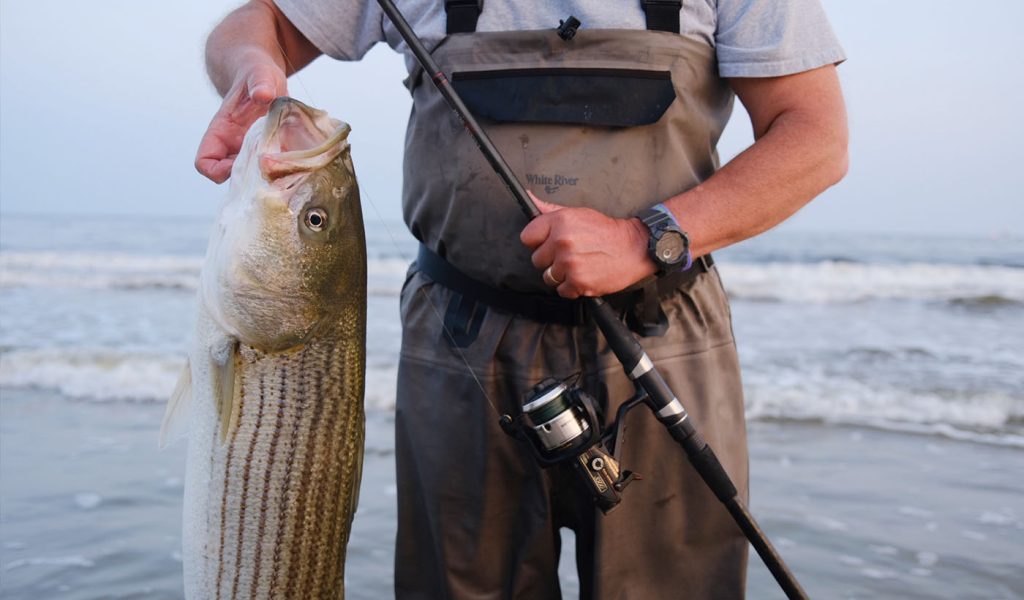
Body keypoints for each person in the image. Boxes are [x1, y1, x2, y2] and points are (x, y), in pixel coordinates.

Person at [196, 1, 848, 598]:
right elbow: (261, 28)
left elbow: (816, 135)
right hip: (458, 338)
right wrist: (254, 67)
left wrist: (648, 239)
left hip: (660, 331)